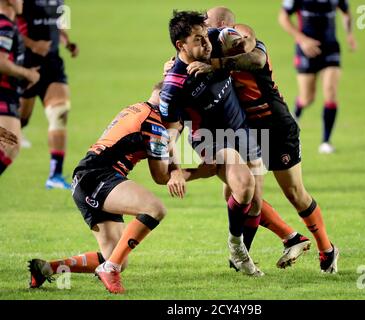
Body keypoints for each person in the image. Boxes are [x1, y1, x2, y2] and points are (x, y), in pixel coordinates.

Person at [28, 83, 215, 294]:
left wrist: (177, 168)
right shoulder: (154, 124)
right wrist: (200, 172)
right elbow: (160, 177)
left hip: (86, 178)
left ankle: (46, 268)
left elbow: (166, 149)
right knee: (154, 208)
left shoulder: (138, 108)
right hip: (98, 177)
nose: (181, 124)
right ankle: (110, 269)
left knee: (116, 256)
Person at [191, 7, 339, 273]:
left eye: (208, 22)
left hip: (277, 126)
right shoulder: (209, 50)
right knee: (238, 190)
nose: (204, 28)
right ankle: (286, 239)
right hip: (247, 131)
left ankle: (327, 249)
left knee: (295, 194)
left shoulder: (241, 39)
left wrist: (217, 62)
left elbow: (256, 58)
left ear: (224, 25)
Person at [161, 10, 266, 277]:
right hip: (210, 140)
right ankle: (237, 247)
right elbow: (171, 133)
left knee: (253, 202)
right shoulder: (174, 84)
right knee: (243, 184)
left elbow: (252, 48)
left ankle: (239, 253)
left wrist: (238, 43)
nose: (206, 43)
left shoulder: (216, 39)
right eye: (198, 40)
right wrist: (175, 169)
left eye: (205, 35)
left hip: (241, 128)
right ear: (180, 46)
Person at [279, 0, 357, 154]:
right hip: (307, 50)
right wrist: (302, 40)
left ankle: (326, 141)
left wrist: (349, 34)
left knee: (331, 92)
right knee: (307, 98)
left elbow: (346, 12)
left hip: (331, 48)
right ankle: (296, 113)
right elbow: (283, 18)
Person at [16, 0, 79, 188]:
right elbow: (8, 24)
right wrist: (33, 45)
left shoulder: (59, 1)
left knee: (60, 112)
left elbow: (57, 25)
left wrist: (67, 42)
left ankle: (55, 175)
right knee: (18, 121)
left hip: (52, 65)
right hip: (24, 64)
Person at [0, 0, 39, 176]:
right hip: (3, 95)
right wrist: (26, 74)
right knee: (10, 143)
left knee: (10, 145)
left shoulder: (9, 25)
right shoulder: (5, 25)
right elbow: (1, 63)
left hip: (10, 94)